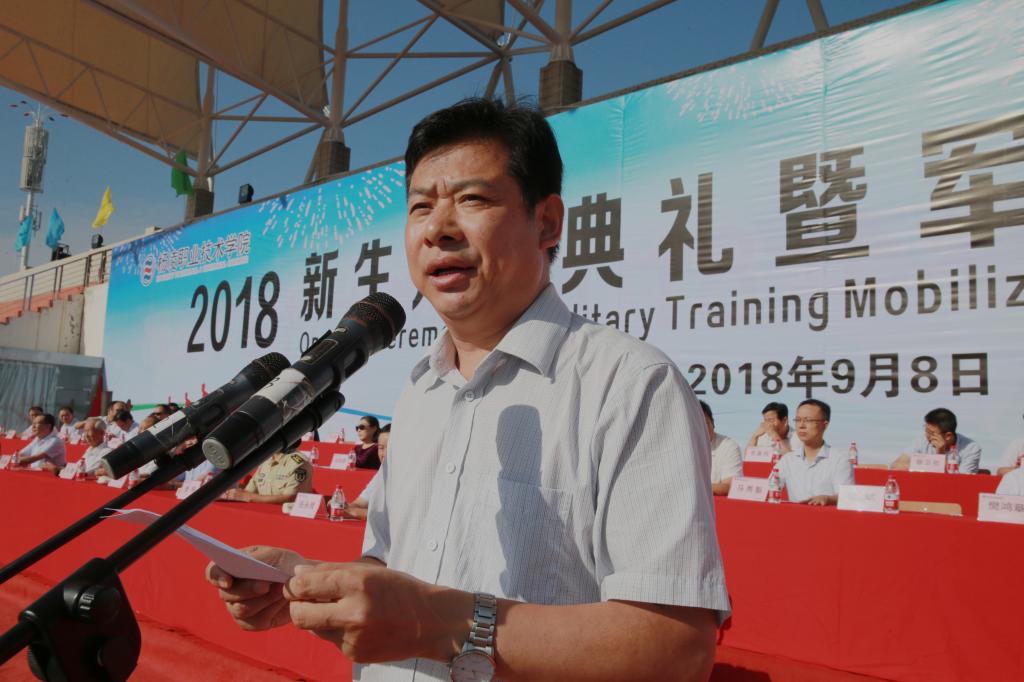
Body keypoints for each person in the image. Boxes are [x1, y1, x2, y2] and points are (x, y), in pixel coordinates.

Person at [205, 98, 728, 682]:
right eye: (420, 206)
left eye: (472, 199)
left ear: (547, 222)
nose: (438, 228)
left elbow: (677, 650)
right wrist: (306, 583)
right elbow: (392, 563)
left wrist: (441, 624)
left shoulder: (630, 385)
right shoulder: (421, 388)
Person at [774, 399, 853, 506]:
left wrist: (828, 499)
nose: (801, 425)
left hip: (827, 515)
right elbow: (768, 488)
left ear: (824, 425)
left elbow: (847, 496)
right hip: (795, 515)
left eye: (808, 420)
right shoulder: (788, 459)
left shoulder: (840, 459)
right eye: (798, 420)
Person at [891, 408, 982, 473]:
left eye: (931, 433)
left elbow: (961, 481)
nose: (927, 435)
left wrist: (940, 454)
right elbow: (896, 466)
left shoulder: (971, 448)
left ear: (948, 436)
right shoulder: (922, 441)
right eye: (926, 430)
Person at [222, 449, 313, 504]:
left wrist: (249, 497)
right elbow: (249, 491)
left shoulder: (298, 463)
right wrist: (230, 492)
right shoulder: (267, 459)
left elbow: (291, 498)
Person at [346, 424, 391, 520]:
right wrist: (342, 506)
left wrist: (355, 512)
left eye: (390, 448)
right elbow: (360, 503)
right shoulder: (381, 474)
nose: (384, 454)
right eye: (381, 448)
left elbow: (396, 516)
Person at [699, 401, 742, 495]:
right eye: (697, 424)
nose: (702, 429)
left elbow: (730, 486)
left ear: (713, 423)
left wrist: (694, 487)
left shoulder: (728, 446)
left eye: (705, 423)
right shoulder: (679, 446)